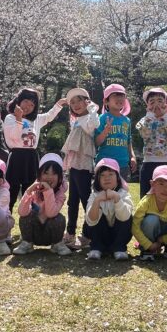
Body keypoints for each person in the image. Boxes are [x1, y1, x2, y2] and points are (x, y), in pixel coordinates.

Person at [3, 88, 66, 211]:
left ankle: (31, 214)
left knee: (33, 187)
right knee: (12, 188)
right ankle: (6, 216)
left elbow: (49, 116)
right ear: (19, 101)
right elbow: (14, 138)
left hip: (31, 156)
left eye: (32, 104)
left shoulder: (36, 119)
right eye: (26, 101)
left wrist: (59, 104)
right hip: (16, 155)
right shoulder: (10, 118)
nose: (28, 106)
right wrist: (19, 119)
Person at [61, 87, 100, 249]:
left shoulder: (90, 118)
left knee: (85, 198)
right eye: (72, 102)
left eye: (79, 100)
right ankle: (70, 232)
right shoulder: (75, 120)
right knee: (73, 201)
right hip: (74, 164)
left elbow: (94, 125)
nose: (76, 105)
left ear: (87, 101)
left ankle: (89, 234)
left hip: (83, 164)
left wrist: (92, 109)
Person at [12, 153, 72, 256]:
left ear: (60, 177)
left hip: (50, 234)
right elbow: (21, 212)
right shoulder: (35, 191)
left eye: (54, 174)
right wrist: (28, 191)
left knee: (59, 218)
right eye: (46, 173)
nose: (49, 177)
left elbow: (51, 213)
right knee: (25, 217)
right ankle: (27, 243)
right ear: (39, 175)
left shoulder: (60, 194)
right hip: (35, 232)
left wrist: (48, 191)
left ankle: (57, 245)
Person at [132, 165, 167, 261]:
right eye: (161, 184)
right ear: (152, 184)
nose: (165, 189)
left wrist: (162, 240)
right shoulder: (146, 202)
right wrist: (148, 244)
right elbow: (135, 225)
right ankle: (148, 251)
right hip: (150, 235)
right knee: (151, 220)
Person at [136, 87, 167, 199]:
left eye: (160, 101)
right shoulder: (144, 120)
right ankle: (145, 215)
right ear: (147, 106)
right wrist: (150, 116)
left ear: (166, 104)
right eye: (152, 102)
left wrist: (165, 115)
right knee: (146, 195)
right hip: (149, 162)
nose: (156, 105)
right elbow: (145, 134)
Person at [84, 158, 134, 261]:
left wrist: (117, 199)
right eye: (102, 175)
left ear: (118, 178)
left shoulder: (123, 194)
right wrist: (97, 201)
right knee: (90, 216)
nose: (107, 178)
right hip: (101, 234)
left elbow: (124, 217)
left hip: (118, 234)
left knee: (128, 215)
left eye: (111, 174)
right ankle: (96, 247)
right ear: (98, 179)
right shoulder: (94, 195)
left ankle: (119, 248)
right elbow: (91, 221)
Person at [94, 83, 136, 181]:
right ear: (106, 101)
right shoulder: (102, 118)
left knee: (121, 194)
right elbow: (96, 142)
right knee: (103, 193)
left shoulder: (127, 120)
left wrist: (132, 157)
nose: (119, 98)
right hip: (105, 163)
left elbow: (128, 141)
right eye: (115, 95)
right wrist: (105, 131)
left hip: (123, 164)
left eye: (122, 95)